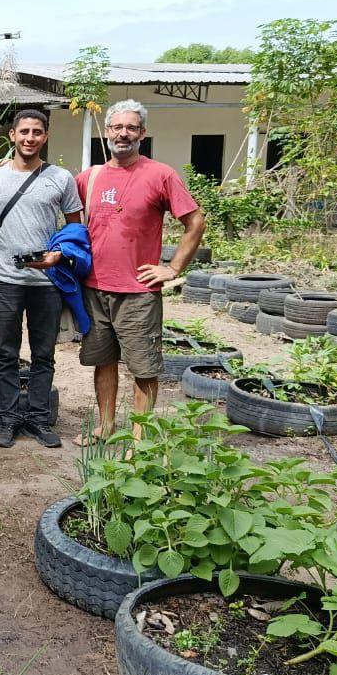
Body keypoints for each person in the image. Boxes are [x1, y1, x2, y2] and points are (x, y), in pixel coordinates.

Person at [76, 99, 206, 443]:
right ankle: (105, 427)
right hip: (94, 288)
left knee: (143, 367)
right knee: (103, 361)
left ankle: (139, 440)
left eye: (131, 127)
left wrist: (173, 267)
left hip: (138, 292)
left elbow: (195, 221)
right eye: (117, 127)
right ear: (107, 133)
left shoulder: (160, 175)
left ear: (142, 134)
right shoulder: (90, 178)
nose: (123, 134)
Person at [0, 110, 83, 449]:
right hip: (5, 278)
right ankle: (9, 418)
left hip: (48, 282)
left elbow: (75, 227)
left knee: (43, 354)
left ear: (46, 136)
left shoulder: (61, 178)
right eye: (23, 131)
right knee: (6, 353)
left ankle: (39, 418)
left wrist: (59, 255)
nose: (29, 138)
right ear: (11, 135)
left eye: (37, 132)